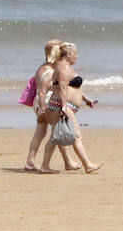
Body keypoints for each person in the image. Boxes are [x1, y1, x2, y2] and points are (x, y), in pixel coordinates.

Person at [40, 42, 101, 173]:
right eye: (75, 54)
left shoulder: (63, 66)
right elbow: (62, 88)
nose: (77, 57)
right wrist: (63, 107)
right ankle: (88, 165)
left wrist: (86, 99)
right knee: (76, 136)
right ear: (68, 54)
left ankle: (45, 166)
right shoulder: (63, 68)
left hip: (61, 105)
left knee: (55, 138)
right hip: (61, 106)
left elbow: (71, 88)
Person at [24, 39, 70, 172]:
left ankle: (30, 161)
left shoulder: (42, 67)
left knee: (41, 132)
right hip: (45, 103)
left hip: (37, 102)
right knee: (57, 131)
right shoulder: (50, 71)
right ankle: (67, 161)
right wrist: (44, 109)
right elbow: (42, 90)